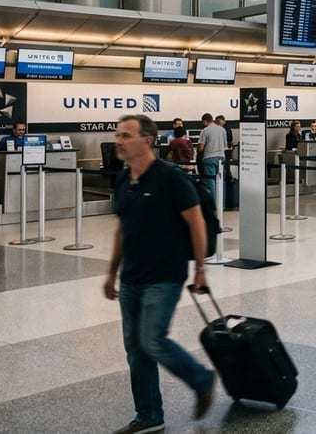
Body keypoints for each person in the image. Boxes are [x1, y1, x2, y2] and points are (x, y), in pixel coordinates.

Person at [104, 114, 215, 434]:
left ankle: (201, 379)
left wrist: (201, 269)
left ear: (147, 141)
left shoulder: (170, 178)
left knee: (152, 339)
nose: (118, 141)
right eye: (118, 135)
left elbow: (195, 222)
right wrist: (112, 273)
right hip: (132, 278)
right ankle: (149, 415)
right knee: (135, 349)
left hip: (165, 275)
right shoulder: (125, 180)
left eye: (126, 135)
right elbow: (122, 231)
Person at [196, 113, 227, 198]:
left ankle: (213, 205)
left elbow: (201, 148)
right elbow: (225, 146)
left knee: (211, 181)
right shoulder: (222, 130)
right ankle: (222, 205)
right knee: (221, 181)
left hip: (209, 158)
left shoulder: (205, 131)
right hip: (222, 157)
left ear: (205, 121)